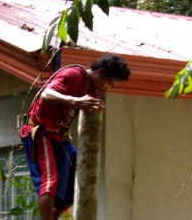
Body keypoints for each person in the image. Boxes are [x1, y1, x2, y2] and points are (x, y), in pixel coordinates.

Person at [19, 54, 130, 219]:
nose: (108, 88)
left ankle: (53, 215)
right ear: (100, 71)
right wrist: (76, 101)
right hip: (39, 130)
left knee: (82, 174)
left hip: (59, 137)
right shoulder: (73, 74)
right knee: (51, 181)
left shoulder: (94, 92)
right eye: (109, 83)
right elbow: (46, 95)